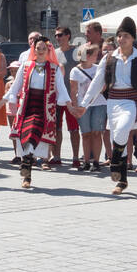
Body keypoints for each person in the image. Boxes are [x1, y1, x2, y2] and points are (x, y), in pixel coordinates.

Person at [76, 16, 137, 195]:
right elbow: (97, 83)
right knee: (118, 136)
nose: (121, 39)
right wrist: (84, 104)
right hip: (113, 102)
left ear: (133, 38)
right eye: (119, 36)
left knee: (123, 130)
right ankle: (122, 180)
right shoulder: (109, 58)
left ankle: (114, 159)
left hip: (133, 101)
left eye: (126, 36)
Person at [6, 35, 70, 189]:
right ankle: (27, 171)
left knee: (33, 132)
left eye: (43, 49)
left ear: (48, 50)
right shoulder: (27, 65)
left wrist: (69, 104)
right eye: (38, 48)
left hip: (44, 107)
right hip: (27, 106)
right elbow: (17, 85)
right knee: (25, 134)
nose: (41, 51)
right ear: (34, 50)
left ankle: (26, 168)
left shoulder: (54, 68)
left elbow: (61, 88)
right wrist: (9, 99)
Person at [68, 43, 106, 172]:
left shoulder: (98, 69)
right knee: (85, 134)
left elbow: (104, 86)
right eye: (95, 54)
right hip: (82, 106)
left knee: (96, 133)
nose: (97, 57)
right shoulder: (75, 71)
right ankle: (86, 162)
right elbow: (73, 91)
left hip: (99, 104)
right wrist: (75, 107)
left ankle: (96, 161)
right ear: (87, 55)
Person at [53, 27, 79, 167]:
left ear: (68, 36)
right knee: (56, 128)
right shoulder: (53, 53)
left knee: (74, 129)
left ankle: (75, 158)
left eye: (60, 35)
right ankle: (56, 156)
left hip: (71, 97)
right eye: (56, 35)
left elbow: (82, 71)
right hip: (56, 97)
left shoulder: (76, 52)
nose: (58, 38)